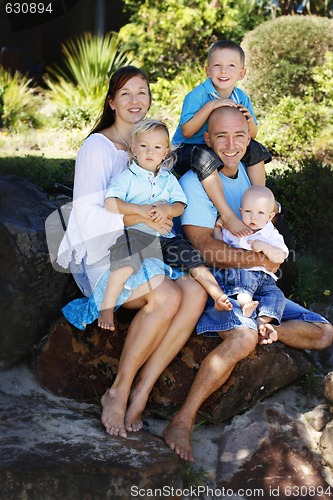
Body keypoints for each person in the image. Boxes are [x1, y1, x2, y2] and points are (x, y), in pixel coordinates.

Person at [163, 106, 333, 462]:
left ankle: (268, 329)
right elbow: (204, 246)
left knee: (323, 332)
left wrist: (269, 259)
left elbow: (268, 231)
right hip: (223, 281)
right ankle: (182, 420)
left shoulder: (252, 183)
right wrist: (261, 259)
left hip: (260, 288)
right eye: (221, 136)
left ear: (248, 136)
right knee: (242, 338)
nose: (231, 143)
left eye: (239, 135)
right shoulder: (197, 182)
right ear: (207, 139)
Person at [56, 66, 208, 439]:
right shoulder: (98, 148)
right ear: (111, 102)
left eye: (142, 92)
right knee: (169, 295)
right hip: (105, 253)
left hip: (148, 250)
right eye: (126, 94)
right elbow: (88, 215)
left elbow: (171, 200)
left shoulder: (149, 145)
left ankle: (143, 391)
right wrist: (142, 215)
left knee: (196, 292)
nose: (135, 101)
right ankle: (119, 390)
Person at [98, 118, 232, 329]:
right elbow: (110, 203)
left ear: (166, 152)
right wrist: (139, 210)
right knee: (124, 262)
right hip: (135, 234)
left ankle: (218, 295)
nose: (150, 152)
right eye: (144, 146)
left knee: (193, 260)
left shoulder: (168, 179)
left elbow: (180, 205)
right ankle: (106, 306)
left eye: (157, 147)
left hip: (165, 238)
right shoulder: (128, 177)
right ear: (133, 149)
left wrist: (167, 209)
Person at [172, 39, 271, 237]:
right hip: (186, 149)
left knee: (256, 149)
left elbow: (252, 135)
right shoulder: (198, 95)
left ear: (241, 73)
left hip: (215, 147)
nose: (223, 71)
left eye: (231, 66)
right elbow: (188, 131)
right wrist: (210, 107)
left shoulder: (241, 97)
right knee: (205, 158)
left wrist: (249, 120)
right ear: (208, 71)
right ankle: (226, 214)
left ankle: (260, 202)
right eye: (217, 66)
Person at [214, 185, 288, 338]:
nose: (253, 217)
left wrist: (266, 247)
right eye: (248, 211)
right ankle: (246, 305)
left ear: (270, 216)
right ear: (241, 211)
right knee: (244, 284)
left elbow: (280, 256)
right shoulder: (236, 231)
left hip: (266, 280)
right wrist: (217, 229)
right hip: (243, 272)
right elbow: (220, 245)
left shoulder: (272, 235)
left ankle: (262, 321)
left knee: (277, 296)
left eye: (260, 213)